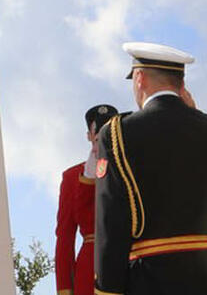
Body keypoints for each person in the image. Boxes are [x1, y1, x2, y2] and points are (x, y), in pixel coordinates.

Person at [94, 42, 207, 295]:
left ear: (140, 78)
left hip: (153, 279)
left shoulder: (117, 133)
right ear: (182, 84)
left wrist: (107, 289)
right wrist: (196, 116)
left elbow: (111, 217)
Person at [55, 104, 119, 295]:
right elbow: (65, 237)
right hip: (89, 270)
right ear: (89, 136)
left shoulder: (131, 169)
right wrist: (65, 288)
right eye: (98, 136)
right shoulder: (73, 176)